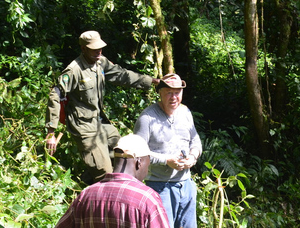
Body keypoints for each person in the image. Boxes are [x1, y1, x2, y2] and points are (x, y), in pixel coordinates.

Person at [45, 30, 160, 184]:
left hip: (100, 123)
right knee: (106, 175)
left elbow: (121, 75)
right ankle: (99, 190)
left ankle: (86, 180)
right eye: (94, 49)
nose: (98, 52)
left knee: (123, 153)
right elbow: (55, 94)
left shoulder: (100, 62)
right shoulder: (74, 70)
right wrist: (51, 132)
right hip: (84, 127)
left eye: (100, 48)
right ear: (83, 49)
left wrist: (152, 81)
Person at [54, 134, 170, 228]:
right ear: (139, 163)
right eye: (147, 165)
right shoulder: (146, 199)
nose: (146, 171)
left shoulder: (86, 195)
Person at [134, 73, 201, 228]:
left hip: (186, 185)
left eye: (177, 92)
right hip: (159, 186)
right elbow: (138, 152)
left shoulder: (185, 113)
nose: (173, 97)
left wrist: (192, 157)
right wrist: (167, 161)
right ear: (160, 93)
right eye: (169, 92)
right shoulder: (147, 117)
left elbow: (195, 140)